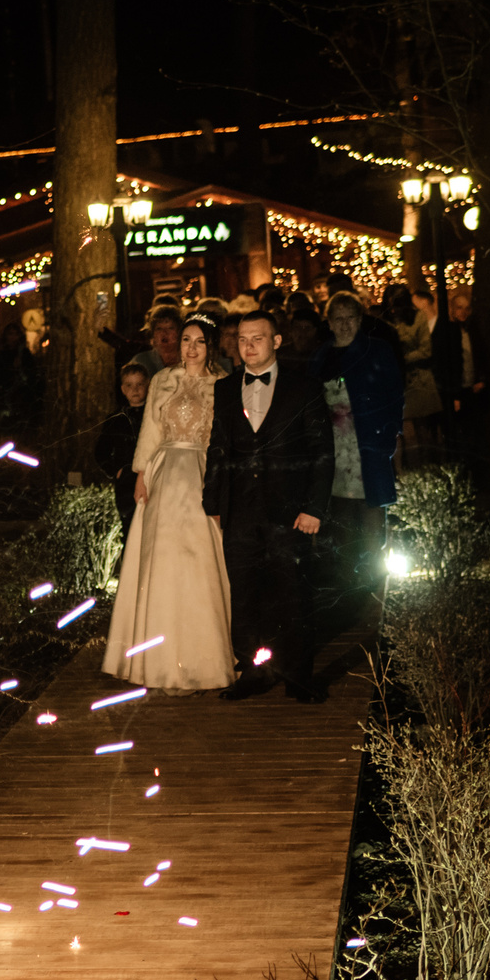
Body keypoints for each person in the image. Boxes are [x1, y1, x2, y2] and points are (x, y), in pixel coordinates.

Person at [204, 310, 334, 702]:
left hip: (290, 511)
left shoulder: (304, 386)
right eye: (242, 339)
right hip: (240, 511)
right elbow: (218, 447)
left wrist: (314, 508)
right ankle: (253, 672)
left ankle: (298, 676)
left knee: (292, 593)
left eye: (257, 338)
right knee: (245, 595)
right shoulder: (226, 389)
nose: (248, 346)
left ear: (276, 341)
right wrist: (213, 501)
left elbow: (321, 451)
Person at [100, 317, 235, 691]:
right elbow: (151, 430)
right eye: (186, 339)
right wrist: (141, 473)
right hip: (164, 471)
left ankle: (205, 656)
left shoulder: (223, 383)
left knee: (199, 558)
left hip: (202, 470)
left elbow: (225, 437)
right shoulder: (162, 380)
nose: (191, 348)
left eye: (199, 341)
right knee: (160, 558)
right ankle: (156, 657)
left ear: (210, 346)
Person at [317, 292, 402, 598]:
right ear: (329, 322)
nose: (344, 324)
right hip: (335, 448)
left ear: (360, 319)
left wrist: (388, 435)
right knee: (340, 514)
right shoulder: (321, 356)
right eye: (337, 318)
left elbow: (394, 395)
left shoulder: (377, 351)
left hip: (369, 443)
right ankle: (347, 580)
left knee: (371, 512)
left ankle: (373, 581)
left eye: (350, 317)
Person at [429, 285, 487, 475]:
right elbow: (447, 363)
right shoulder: (448, 332)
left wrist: (481, 379)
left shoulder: (472, 331)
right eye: (459, 308)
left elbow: (481, 357)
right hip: (456, 390)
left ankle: (473, 469)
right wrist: (454, 393)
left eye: (467, 308)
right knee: (457, 432)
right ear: (453, 309)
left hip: (472, 388)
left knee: (473, 431)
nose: (463, 312)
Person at [382, 283, 440, 451]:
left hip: (418, 379)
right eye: (390, 306)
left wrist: (401, 358)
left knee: (423, 430)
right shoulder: (384, 321)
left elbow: (425, 350)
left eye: (396, 305)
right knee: (401, 431)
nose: (394, 310)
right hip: (396, 381)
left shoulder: (417, 317)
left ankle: (428, 462)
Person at [95, 363, 151, 534]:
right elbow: (101, 451)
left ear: (148, 385)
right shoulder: (115, 419)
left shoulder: (153, 415)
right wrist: (115, 470)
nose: (135, 390)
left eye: (139, 384)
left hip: (150, 476)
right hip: (126, 480)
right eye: (129, 385)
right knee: (129, 525)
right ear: (123, 389)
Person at [126, 308, 183, 380]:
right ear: (153, 334)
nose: (164, 333)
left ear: (179, 332)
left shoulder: (188, 359)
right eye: (159, 329)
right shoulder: (140, 361)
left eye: (170, 328)